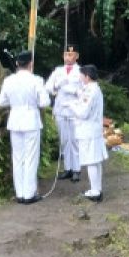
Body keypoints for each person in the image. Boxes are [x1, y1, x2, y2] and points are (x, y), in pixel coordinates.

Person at [0, 50, 49, 204]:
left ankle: (19, 193)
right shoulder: (36, 80)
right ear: (31, 64)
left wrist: (15, 104)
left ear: (18, 64)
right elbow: (45, 102)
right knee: (31, 157)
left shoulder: (9, 81)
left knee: (17, 157)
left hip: (15, 120)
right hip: (31, 120)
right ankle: (29, 193)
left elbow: (1, 102)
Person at [45, 45, 85, 182]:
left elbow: (85, 90)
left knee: (74, 140)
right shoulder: (58, 71)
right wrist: (57, 85)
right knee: (64, 140)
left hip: (74, 109)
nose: (68, 57)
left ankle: (76, 169)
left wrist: (74, 91)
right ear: (63, 56)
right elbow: (48, 87)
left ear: (76, 56)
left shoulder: (81, 71)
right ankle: (68, 168)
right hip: (61, 109)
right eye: (66, 54)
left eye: (71, 54)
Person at [76, 64, 109, 201]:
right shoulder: (93, 89)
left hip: (88, 130)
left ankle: (95, 191)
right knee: (95, 161)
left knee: (91, 161)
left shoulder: (90, 91)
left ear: (87, 76)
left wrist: (72, 107)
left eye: (81, 75)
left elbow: (83, 112)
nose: (80, 77)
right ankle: (97, 189)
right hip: (93, 129)